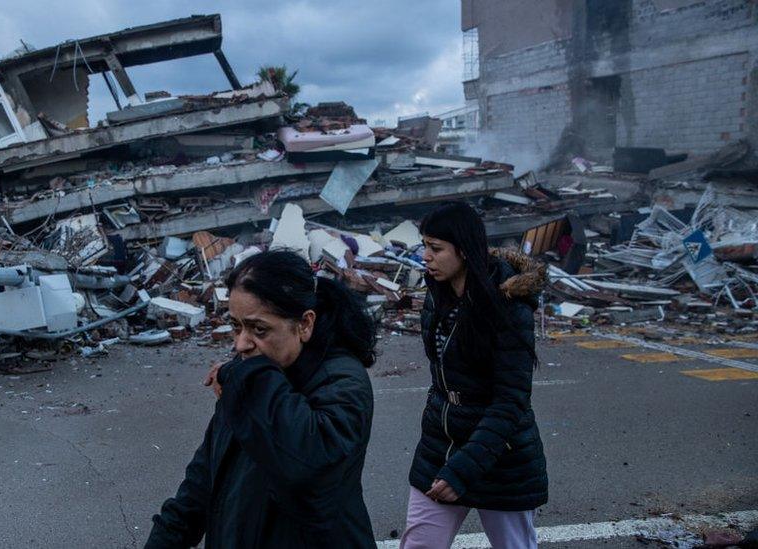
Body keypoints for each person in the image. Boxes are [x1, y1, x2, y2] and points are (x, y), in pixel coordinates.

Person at [146, 250, 378, 548]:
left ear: (305, 324)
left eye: (259, 329)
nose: (241, 344)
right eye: (236, 326)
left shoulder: (342, 380)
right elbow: (201, 483)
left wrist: (242, 376)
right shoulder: (249, 376)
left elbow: (308, 466)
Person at [402, 201, 548, 549]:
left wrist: (465, 469)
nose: (426, 256)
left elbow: (510, 401)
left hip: (501, 457)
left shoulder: (508, 307)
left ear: (465, 251)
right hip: (441, 446)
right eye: (424, 245)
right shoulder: (436, 296)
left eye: (435, 248)